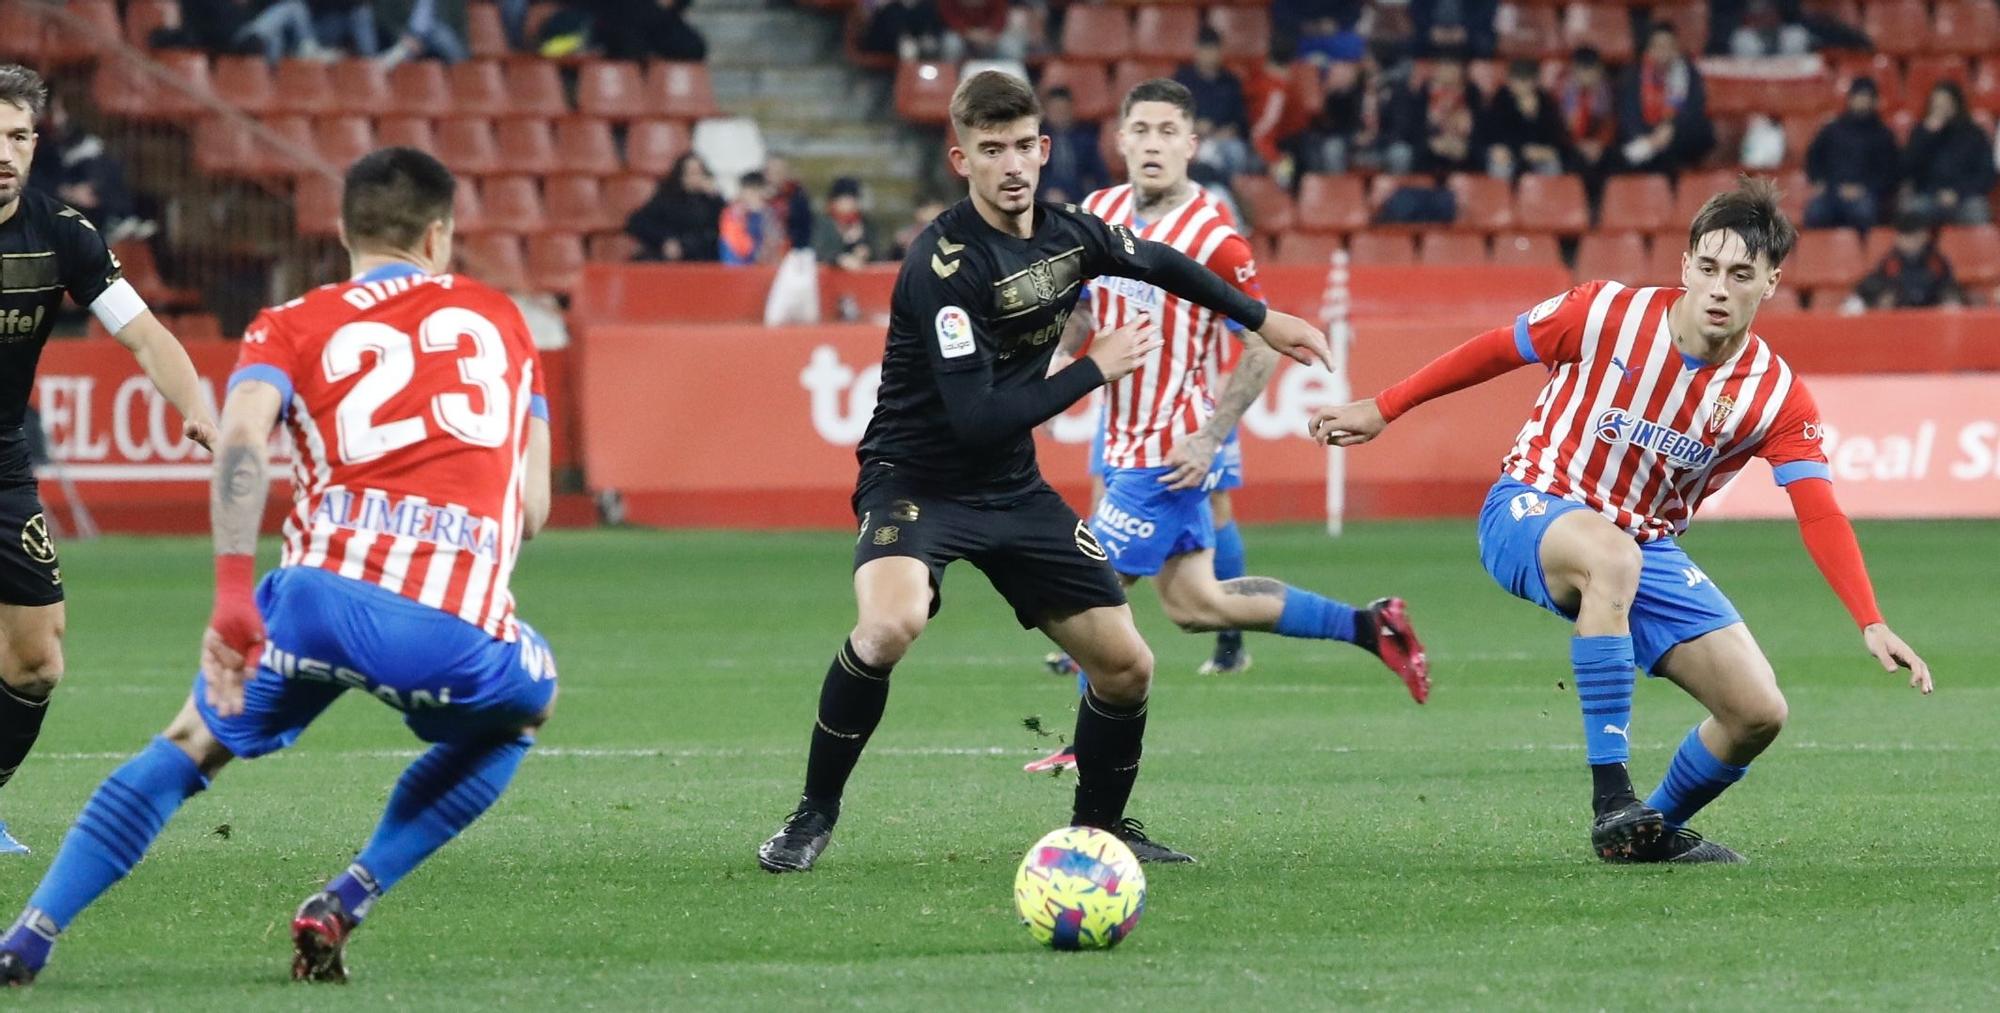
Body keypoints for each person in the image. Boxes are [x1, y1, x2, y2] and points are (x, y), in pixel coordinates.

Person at [0, 146, 556, 985]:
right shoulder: (506, 323)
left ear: (342, 230)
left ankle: (29, 935)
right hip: (446, 632)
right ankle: (351, 892)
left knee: (187, 745)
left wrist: (232, 594)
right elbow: (536, 507)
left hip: (306, 604)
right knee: (521, 710)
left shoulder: (289, 323)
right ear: (439, 236)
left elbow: (241, 445)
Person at [753, 71, 1333, 873]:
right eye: (991, 151)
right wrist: (1095, 367)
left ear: (1044, 148)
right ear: (962, 159)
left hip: (1012, 490)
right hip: (916, 478)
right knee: (890, 626)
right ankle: (811, 815)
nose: (1012, 164)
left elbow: (1162, 261)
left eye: (1024, 146)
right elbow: (976, 417)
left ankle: (1098, 831)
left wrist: (1266, 317)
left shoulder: (1073, 233)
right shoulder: (943, 264)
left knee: (1128, 665)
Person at [1309, 178, 1933, 865]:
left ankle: (1640, 833)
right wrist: (1385, 407)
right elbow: (1493, 349)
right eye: (1708, 267)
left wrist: (1869, 617)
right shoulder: (1603, 312)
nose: (1720, 288)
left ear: (1772, 282)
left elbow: (1818, 508)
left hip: (1644, 542)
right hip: (1532, 506)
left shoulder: (1775, 396)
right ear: (1686, 265)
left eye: (1741, 274)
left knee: (1758, 711)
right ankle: (1612, 793)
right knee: (1612, 558)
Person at [1028, 80, 1429, 773]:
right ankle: (1374, 625)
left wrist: (1211, 435)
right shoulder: (1096, 212)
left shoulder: (1214, 236)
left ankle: (1085, 742)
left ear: (1190, 144)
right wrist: (1052, 355)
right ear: (1120, 140)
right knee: (1195, 603)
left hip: (1171, 447)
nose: (1152, 143)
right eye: (1141, 129)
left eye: (1167, 131)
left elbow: (1263, 338)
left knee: (1082, 588)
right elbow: (1086, 318)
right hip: (1123, 439)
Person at [0, 66, 218, 855]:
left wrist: (193, 404)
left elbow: (147, 335)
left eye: (18, 136)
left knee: (35, 660)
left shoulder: (63, 233)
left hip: (1, 467)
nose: (5, 152)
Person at [1615, 23, 1715, 175]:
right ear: (1649, 49)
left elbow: (1695, 109)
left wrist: (1672, 128)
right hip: (1645, 136)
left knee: (1699, 131)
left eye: (1668, 46)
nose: (1663, 51)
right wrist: (1651, 138)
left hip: (1679, 138)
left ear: (1676, 48)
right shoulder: (1633, 76)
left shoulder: (1689, 73)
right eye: (1658, 46)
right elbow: (1628, 115)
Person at [1803, 78, 1900, 233]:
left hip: (1866, 194)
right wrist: (1818, 180)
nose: (1862, 101)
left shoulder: (1883, 135)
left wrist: (1865, 189)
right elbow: (1813, 156)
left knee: (1864, 212)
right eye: (1858, 96)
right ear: (1850, 99)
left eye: (1866, 97)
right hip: (1832, 191)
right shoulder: (1832, 130)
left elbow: (1890, 172)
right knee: (1815, 213)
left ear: (1874, 101)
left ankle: (1865, 256)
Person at [1902, 82, 1997, 227]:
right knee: (1912, 210)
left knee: (1978, 211)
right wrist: (1927, 136)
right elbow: (1908, 169)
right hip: (1928, 195)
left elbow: (1986, 174)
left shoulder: (1974, 134)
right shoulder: (1921, 132)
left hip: (1965, 197)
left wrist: (1958, 192)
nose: (1941, 108)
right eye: (1937, 104)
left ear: (1956, 105)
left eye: (1946, 103)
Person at [1850, 214, 1965, 310]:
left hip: (1931, 316)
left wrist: (1949, 299)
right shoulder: (1889, 262)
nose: (1909, 242)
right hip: (1898, 318)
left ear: (1924, 236)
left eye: (1914, 236)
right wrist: (1883, 297)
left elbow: (1948, 286)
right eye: (1905, 237)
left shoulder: (1936, 261)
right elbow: (1874, 284)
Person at [625, 152, 723, 262]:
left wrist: (716, 198)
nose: (695, 178)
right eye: (690, 173)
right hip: (670, 257)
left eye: (699, 173)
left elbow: (722, 228)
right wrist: (665, 240)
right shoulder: (667, 197)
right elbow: (637, 222)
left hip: (702, 258)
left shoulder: (712, 201)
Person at [1485, 58, 1568, 180]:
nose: (1520, 85)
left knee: (1552, 163)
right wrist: (1520, 150)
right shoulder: (1500, 98)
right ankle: (1498, 198)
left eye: (1525, 81)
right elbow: (1496, 133)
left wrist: (1532, 117)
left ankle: (1550, 199)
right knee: (1499, 163)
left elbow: (1555, 136)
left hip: (1537, 153)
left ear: (1535, 81)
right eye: (1515, 80)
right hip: (1511, 151)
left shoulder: (1546, 101)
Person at [1038, 86, 1109, 204]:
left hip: (1079, 199)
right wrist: (1044, 191)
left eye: (1063, 110)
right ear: (1046, 111)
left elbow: (1099, 175)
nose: (1059, 115)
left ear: (1071, 109)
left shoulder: (1085, 138)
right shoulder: (1037, 139)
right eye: (1055, 110)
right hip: (1044, 199)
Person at [811, 176, 878, 270]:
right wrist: (839, 259)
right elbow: (816, 253)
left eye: (852, 200)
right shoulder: (822, 224)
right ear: (834, 202)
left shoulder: (865, 224)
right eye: (845, 200)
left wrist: (864, 251)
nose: (849, 205)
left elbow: (878, 254)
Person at [719, 171, 781, 265]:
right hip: (738, 265)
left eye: (752, 192)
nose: (746, 196)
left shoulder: (769, 213)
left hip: (763, 266)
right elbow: (733, 241)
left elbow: (775, 239)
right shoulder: (733, 213)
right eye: (744, 192)